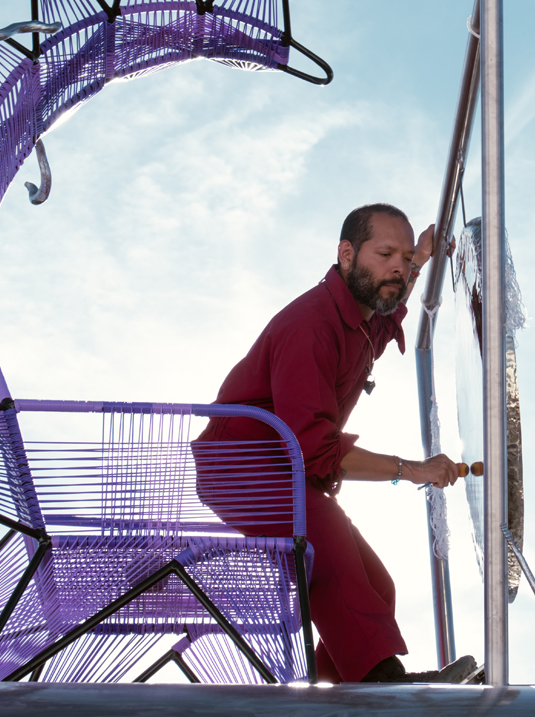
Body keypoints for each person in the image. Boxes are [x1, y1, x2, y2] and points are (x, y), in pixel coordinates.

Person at [195, 203, 475, 684]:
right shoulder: (311, 328)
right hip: (240, 467)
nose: (398, 268)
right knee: (324, 540)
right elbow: (318, 450)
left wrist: (422, 258)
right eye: (384, 253)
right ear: (346, 255)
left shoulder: (363, 315)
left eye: (403, 259)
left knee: (376, 587)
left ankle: (334, 694)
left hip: (285, 466)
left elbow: (388, 314)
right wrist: (417, 470)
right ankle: (383, 686)